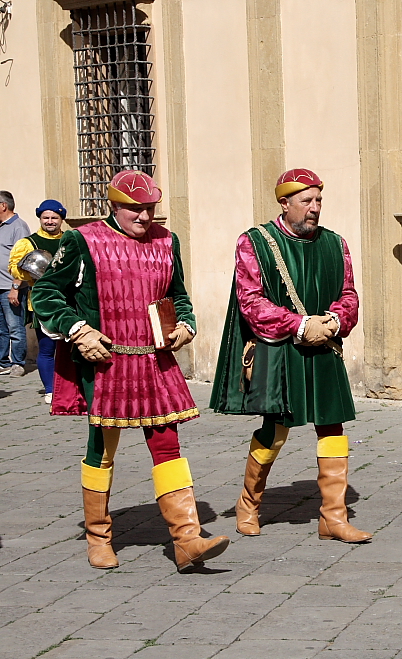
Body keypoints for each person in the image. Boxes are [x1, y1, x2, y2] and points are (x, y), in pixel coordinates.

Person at [31, 170, 230, 572]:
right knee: (102, 448)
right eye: (134, 209)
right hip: (106, 362)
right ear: (114, 205)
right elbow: (46, 291)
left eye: (150, 208)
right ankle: (99, 536)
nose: (144, 216)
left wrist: (186, 324)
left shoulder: (166, 240)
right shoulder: (82, 240)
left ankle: (187, 538)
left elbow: (178, 294)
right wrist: (77, 329)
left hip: (155, 361)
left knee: (167, 442)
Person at [211, 168, 370, 543]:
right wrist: (300, 325)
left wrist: (333, 320)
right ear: (285, 203)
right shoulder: (254, 242)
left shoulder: (336, 243)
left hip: (325, 345)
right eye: (306, 201)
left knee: (332, 425)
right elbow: (250, 301)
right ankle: (249, 503)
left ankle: (333, 516)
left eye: (318, 200)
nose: (314, 208)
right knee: (275, 428)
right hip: (279, 347)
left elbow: (349, 293)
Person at [8, 199, 66, 402]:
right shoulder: (28, 243)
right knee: (48, 347)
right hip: (42, 301)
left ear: (61, 219)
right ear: (40, 218)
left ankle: (69, 387)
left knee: (69, 350)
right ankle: (50, 389)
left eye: (54, 218)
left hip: (70, 301)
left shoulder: (70, 239)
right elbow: (14, 267)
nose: (50, 221)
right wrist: (29, 273)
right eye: (46, 217)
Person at [0, 190, 30, 377]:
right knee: (1, 328)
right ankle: (3, 362)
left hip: (10, 287)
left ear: (3, 206)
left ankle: (18, 363)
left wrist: (15, 287)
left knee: (15, 327)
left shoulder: (19, 227)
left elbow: (23, 260)